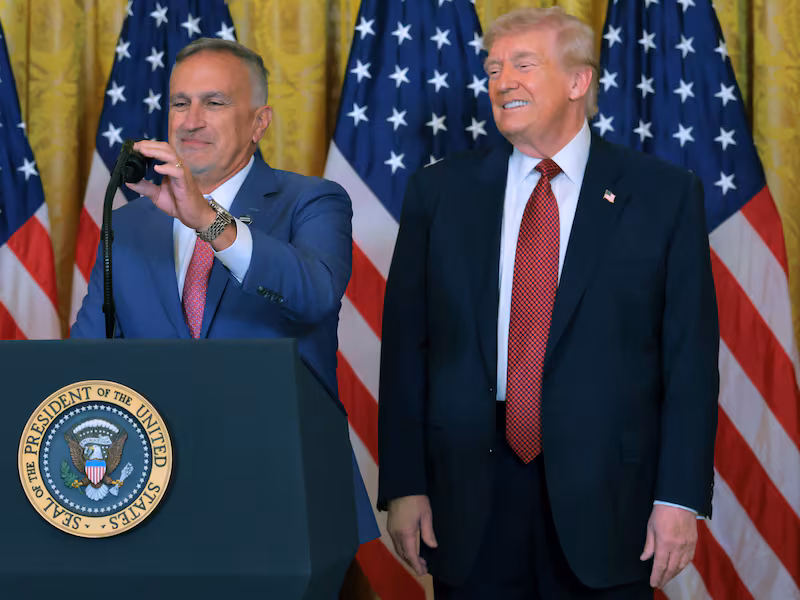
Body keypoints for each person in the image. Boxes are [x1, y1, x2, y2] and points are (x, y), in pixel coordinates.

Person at [378, 7, 719, 599]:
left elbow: (689, 361)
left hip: (610, 502)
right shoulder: (439, 192)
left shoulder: (663, 194)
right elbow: (407, 349)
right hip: (469, 500)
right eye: (493, 69)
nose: (502, 81)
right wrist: (405, 484)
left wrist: (679, 496)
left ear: (578, 81)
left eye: (523, 65)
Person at [71, 38, 378, 549]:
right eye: (179, 103)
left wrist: (207, 221)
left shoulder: (311, 201)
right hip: (151, 502)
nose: (191, 120)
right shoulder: (126, 226)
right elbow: (88, 360)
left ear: (259, 123)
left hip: (285, 493)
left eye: (214, 103)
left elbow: (314, 293)